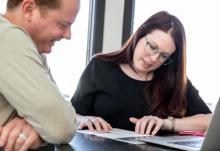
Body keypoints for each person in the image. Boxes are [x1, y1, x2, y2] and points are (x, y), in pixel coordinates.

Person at [71, 11, 212, 135]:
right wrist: (85, 119)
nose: (153, 59)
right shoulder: (100, 66)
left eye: (164, 56)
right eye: (152, 47)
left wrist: (166, 123)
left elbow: (210, 120)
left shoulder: (173, 79)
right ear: (140, 34)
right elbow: (72, 115)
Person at [0, 0, 80, 151]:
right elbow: (62, 125)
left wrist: (37, 124)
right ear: (29, 9)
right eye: (63, 25)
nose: (68, 35)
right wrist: (44, 124)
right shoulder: (7, 36)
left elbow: (54, 115)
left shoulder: (32, 47)